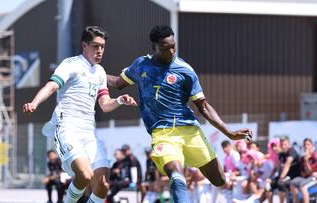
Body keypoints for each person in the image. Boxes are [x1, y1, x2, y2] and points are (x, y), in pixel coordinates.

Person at [107, 25, 252, 202]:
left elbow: (203, 107)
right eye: (165, 48)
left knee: (219, 179)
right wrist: (93, 72)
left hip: (190, 131)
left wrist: (229, 133)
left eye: (173, 46)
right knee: (176, 174)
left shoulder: (185, 71)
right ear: (154, 47)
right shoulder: (141, 65)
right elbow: (117, 82)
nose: (171, 51)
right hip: (162, 134)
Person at [22, 26, 137, 203]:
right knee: (84, 174)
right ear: (84, 45)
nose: (99, 50)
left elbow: (105, 105)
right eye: (95, 46)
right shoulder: (71, 64)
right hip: (67, 127)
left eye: (102, 47)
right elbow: (51, 86)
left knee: (103, 183)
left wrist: (120, 100)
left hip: (88, 132)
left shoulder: (99, 72)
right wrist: (34, 103)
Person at [290, 138, 317, 203]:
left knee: (303, 186)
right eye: (305, 145)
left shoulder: (316, 157)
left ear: (312, 146)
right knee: (292, 182)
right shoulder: (302, 158)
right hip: (306, 178)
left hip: (315, 178)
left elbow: (312, 172)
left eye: (308, 145)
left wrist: (307, 161)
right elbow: (302, 173)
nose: (306, 147)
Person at [267, 136, 301, 203]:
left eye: (285, 144)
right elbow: (276, 167)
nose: (283, 146)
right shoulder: (281, 154)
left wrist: (281, 177)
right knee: (268, 186)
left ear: (289, 144)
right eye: (282, 144)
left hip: (293, 177)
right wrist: (269, 178)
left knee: (281, 183)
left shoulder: (292, 152)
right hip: (284, 177)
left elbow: (287, 165)